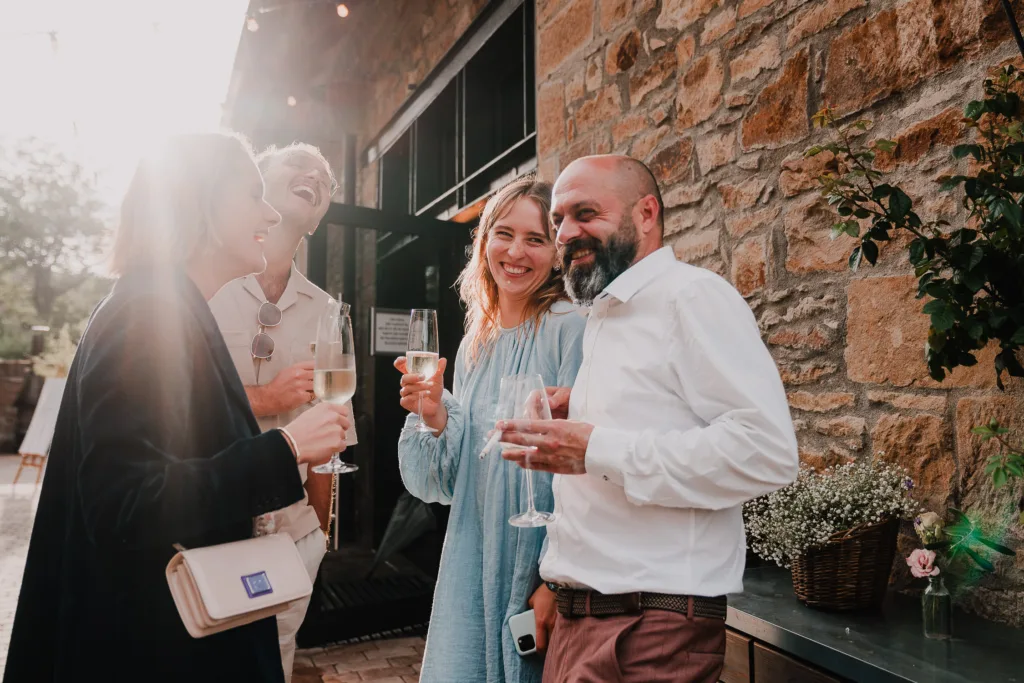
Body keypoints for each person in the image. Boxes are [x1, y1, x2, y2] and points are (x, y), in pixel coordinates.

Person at [3, 133, 352, 683]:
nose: (268, 213)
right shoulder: (148, 314)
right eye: (253, 195)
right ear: (202, 203)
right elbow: (124, 503)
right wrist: (286, 449)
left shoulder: (170, 306)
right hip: (151, 647)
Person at [499, 155, 799, 683]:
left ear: (646, 213)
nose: (567, 233)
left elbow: (766, 451)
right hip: (580, 623)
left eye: (585, 213)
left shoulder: (692, 297)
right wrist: (583, 408)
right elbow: (655, 422)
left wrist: (594, 448)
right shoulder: (605, 313)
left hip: (648, 632)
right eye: (558, 221)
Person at [394, 177, 586, 683]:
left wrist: (553, 584)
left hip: (535, 565)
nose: (516, 252)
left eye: (536, 239)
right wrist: (435, 418)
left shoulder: (571, 327)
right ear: (484, 242)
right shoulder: (474, 341)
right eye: (504, 233)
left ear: (556, 252)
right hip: (470, 555)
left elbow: (586, 468)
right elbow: (446, 482)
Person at [208, 142, 357, 682]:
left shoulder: (326, 311)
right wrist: (267, 400)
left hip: (289, 536)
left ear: (317, 220)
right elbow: (174, 403)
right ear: (258, 190)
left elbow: (332, 428)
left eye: (324, 180)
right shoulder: (205, 287)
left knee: (274, 666)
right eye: (299, 167)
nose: (315, 176)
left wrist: (316, 534)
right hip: (206, 524)